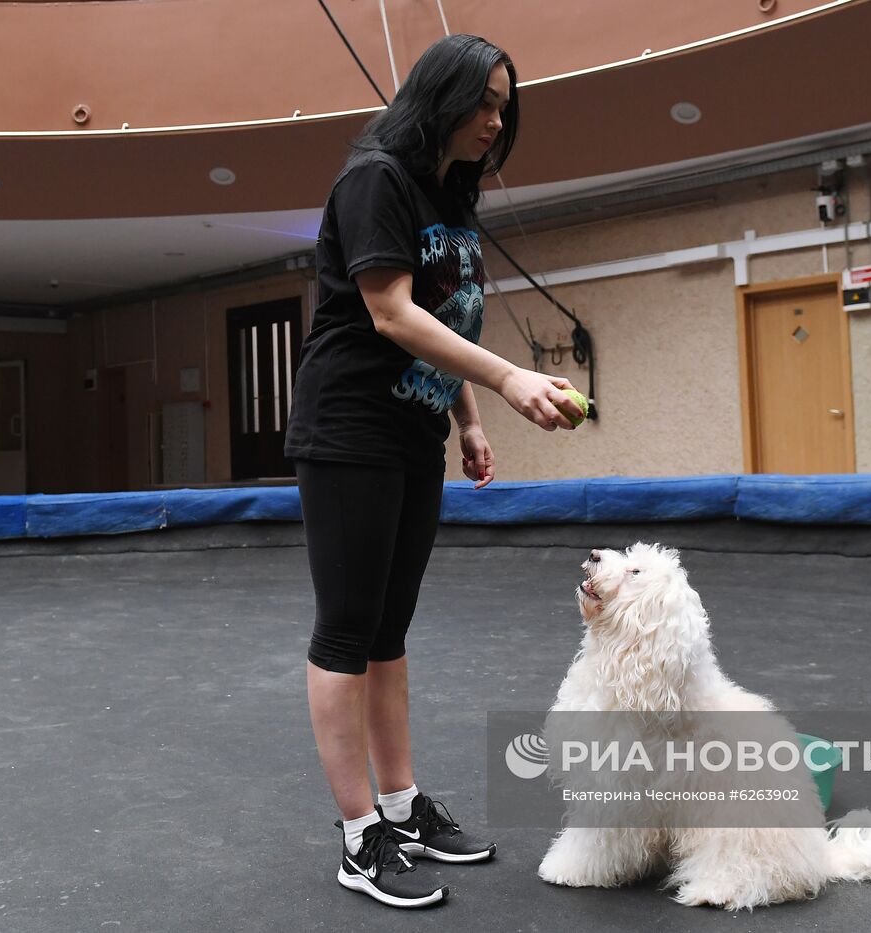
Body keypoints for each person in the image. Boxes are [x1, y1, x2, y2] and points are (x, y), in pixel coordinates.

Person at [284, 33, 585, 909]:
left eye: (504, 106)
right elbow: (389, 311)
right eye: (482, 102)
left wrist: (469, 417)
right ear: (439, 96)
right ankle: (356, 834)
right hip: (350, 429)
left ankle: (404, 803)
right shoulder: (376, 178)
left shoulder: (453, 195)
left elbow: (450, 310)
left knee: (391, 629)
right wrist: (508, 376)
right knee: (347, 628)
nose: (495, 121)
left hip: (415, 430)